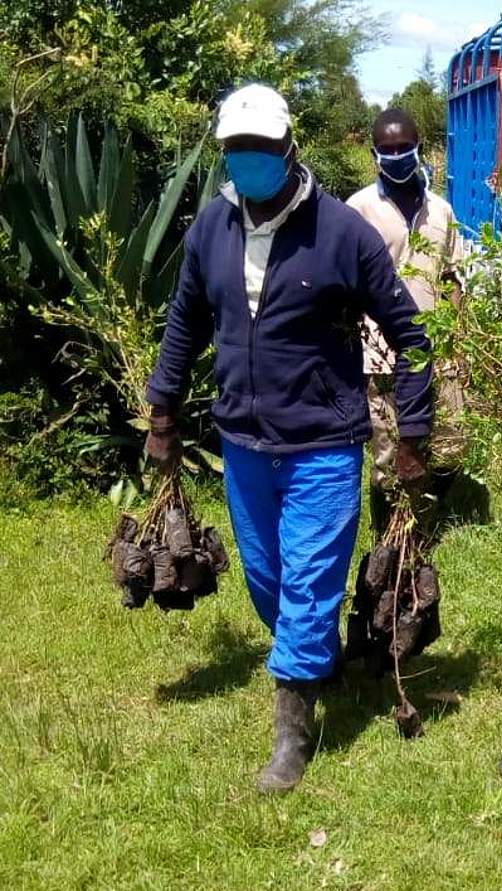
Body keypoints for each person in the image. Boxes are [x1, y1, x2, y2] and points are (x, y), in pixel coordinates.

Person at [144, 84, 433, 793]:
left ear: (288, 149)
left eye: (260, 151)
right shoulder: (211, 229)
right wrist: (163, 412)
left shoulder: (342, 234)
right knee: (270, 584)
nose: (248, 163)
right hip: (243, 442)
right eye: (236, 152)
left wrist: (414, 430)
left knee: (306, 585)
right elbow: (184, 324)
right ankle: (315, 659)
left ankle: (291, 735)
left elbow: (411, 337)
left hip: (324, 445)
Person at [346, 108, 467, 534]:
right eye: (387, 149)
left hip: (437, 351)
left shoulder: (442, 211)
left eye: (404, 148)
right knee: (387, 456)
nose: (397, 156)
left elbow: (453, 275)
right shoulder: (358, 209)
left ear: (419, 147)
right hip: (381, 354)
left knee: (450, 444)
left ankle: (428, 521)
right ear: (375, 153)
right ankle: (391, 538)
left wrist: (455, 338)